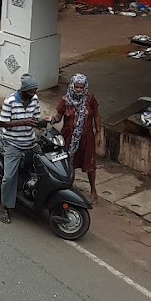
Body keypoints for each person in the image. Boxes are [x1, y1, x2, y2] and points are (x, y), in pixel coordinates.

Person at [0, 73, 44, 224]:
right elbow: (2, 123)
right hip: (13, 143)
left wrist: (42, 122)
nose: (33, 95)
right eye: (30, 92)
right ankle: (5, 207)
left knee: (45, 165)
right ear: (23, 90)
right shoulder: (10, 101)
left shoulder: (35, 100)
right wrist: (24, 122)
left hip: (30, 142)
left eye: (35, 91)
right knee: (9, 177)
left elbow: (35, 119)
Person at [55, 72, 101, 204]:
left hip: (87, 138)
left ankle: (93, 190)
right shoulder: (65, 100)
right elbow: (58, 117)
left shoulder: (90, 99)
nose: (79, 90)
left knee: (90, 164)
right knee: (70, 164)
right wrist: (51, 120)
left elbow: (97, 116)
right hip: (69, 137)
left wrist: (98, 132)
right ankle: (69, 187)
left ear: (85, 87)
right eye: (77, 87)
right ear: (72, 86)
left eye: (82, 87)